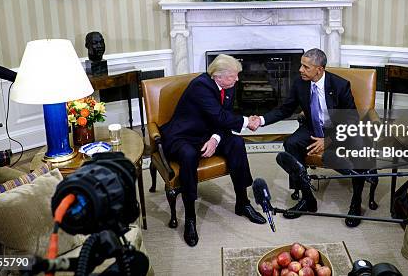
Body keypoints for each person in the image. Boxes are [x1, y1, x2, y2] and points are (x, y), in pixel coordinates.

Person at [255, 49, 377, 228]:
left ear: (319, 70)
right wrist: (261, 120)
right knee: (291, 143)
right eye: (301, 65)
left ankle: (356, 203)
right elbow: (285, 109)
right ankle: (308, 199)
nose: (300, 70)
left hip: (338, 130)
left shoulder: (340, 85)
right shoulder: (300, 83)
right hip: (313, 127)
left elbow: (351, 121)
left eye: (306, 67)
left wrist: (327, 141)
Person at [158, 54, 265, 247]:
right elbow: (220, 116)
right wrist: (247, 121)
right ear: (218, 76)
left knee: (237, 144)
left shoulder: (228, 86)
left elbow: (222, 118)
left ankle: (243, 202)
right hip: (184, 135)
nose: (237, 79)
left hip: (207, 132)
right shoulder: (201, 86)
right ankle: (190, 218)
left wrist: (215, 139)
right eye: (233, 76)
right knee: (189, 156)